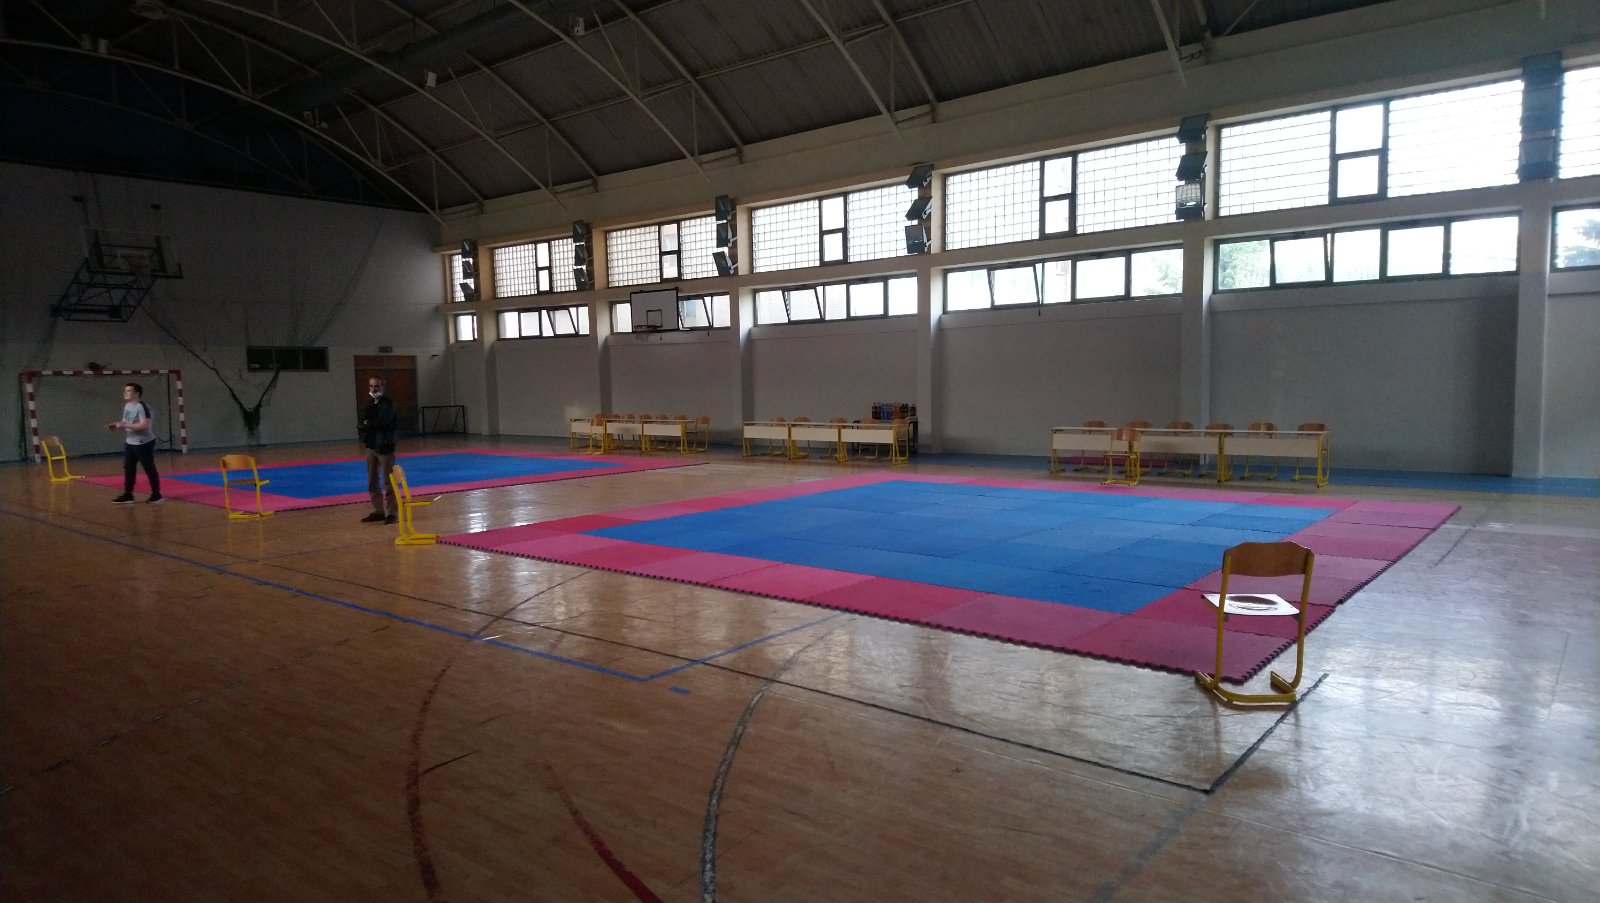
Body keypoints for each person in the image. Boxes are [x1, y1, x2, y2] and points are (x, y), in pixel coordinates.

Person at [106, 382, 162, 504]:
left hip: (144, 443)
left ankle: (157, 494)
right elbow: (126, 422)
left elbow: (145, 425)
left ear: (137, 393)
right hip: (130, 442)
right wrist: (117, 425)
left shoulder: (142, 407)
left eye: (129, 391)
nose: (125, 393)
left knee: (149, 468)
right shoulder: (127, 406)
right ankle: (128, 494)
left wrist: (125, 425)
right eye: (125, 390)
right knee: (129, 468)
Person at [360, 376, 398, 524]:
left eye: (376, 386)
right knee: (372, 481)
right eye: (371, 386)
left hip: (384, 446)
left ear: (382, 387)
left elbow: (381, 422)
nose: (373, 389)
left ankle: (391, 513)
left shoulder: (389, 403)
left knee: (389, 481)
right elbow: (366, 419)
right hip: (371, 445)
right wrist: (368, 423)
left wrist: (368, 424)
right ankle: (379, 511)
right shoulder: (370, 402)